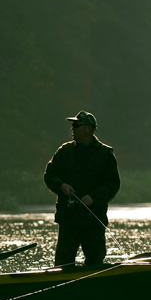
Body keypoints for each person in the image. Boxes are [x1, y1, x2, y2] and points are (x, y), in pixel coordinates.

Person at [43, 110, 120, 266]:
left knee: (95, 262)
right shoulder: (64, 151)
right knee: (63, 264)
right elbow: (49, 175)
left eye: (76, 125)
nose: (73, 128)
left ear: (87, 129)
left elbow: (113, 184)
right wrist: (61, 185)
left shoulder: (105, 154)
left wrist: (93, 197)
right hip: (68, 219)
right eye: (73, 125)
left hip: (93, 220)